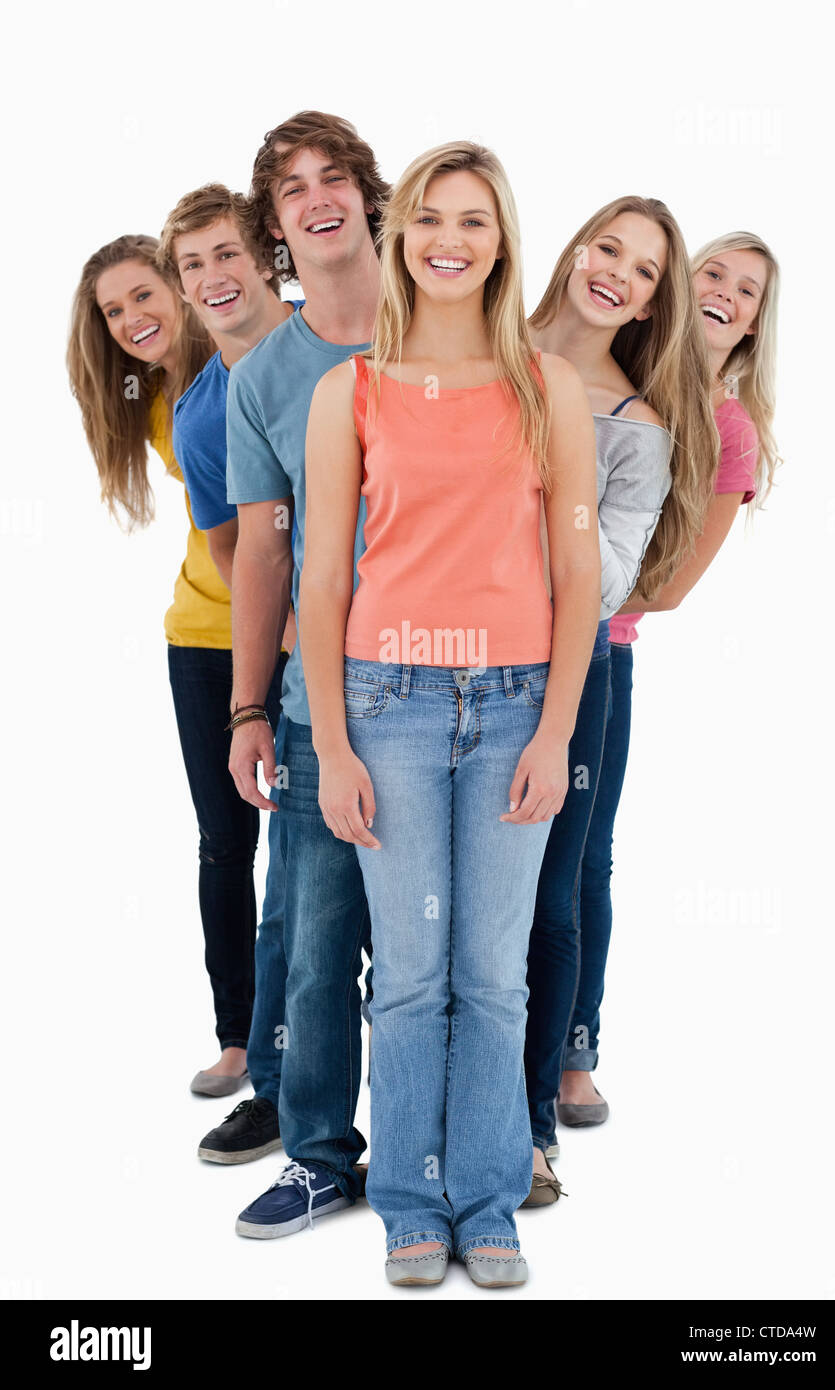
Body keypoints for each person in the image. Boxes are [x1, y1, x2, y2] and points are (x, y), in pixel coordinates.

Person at [300, 141, 600, 1287]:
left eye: (473, 221)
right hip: (389, 701)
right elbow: (323, 579)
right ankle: (406, 1204)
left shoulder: (544, 385)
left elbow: (578, 575)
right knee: (413, 972)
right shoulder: (353, 390)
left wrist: (556, 730)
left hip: (518, 699)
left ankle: (487, 1202)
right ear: (398, 237)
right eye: (429, 218)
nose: (448, 240)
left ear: (500, 241)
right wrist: (330, 743)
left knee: (495, 972)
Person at [557, 232, 781, 1133]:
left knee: (583, 861)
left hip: (602, 649)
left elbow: (674, 587)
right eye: (712, 274)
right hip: (508, 650)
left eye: (749, 291)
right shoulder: (613, 372)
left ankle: (575, 1054)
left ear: (759, 324)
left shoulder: (726, 429)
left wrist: (571, 600)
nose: (725, 294)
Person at [521, 198, 719, 1201]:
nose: (616, 275)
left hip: (572, 668)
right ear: (572, 248)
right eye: (608, 248)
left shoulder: (631, 423)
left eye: (643, 273)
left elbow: (600, 582)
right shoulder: (475, 355)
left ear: (649, 305)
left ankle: (526, 1131)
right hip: (433, 664)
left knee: (552, 895)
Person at [222, 112, 389, 1231]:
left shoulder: (450, 324)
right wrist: (247, 709)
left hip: (463, 687)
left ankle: (474, 1145)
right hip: (314, 701)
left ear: (369, 197)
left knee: (456, 945)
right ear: (276, 227)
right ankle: (321, 1151)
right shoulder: (262, 378)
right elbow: (264, 556)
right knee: (319, 941)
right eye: (292, 189)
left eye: (334, 177)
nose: (316, 196)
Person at [67, 236, 277, 1096]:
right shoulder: (156, 398)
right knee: (226, 846)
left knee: (326, 843)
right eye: (113, 312)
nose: (132, 320)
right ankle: (238, 1037)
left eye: (143, 295)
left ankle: (351, 1031)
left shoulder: (252, 363)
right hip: (201, 637)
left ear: (185, 289)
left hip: (293, 630)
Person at [156, 184, 298, 1157]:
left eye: (224, 253)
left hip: (435, 652)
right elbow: (238, 562)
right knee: (296, 889)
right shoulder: (205, 418)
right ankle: (284, 1089)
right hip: (305, 667)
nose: (211, 277)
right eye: (190, 264)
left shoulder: (350, 336)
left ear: (266, 256)